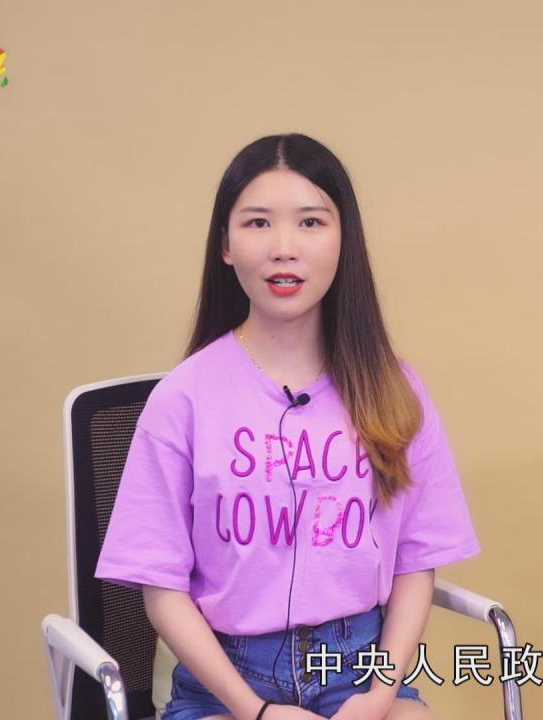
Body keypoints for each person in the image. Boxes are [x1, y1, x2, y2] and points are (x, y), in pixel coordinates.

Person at [95, 133, 481, 720]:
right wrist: (256, 711)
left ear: (343, 240)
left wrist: (379, 696)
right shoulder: (183, 398)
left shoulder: (394, 390)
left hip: (360, 672)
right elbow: (162, 590)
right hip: (224, 684)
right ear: (225, 245)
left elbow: (415, 562)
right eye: (257, 223)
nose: (283, 248)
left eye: (310, 222)